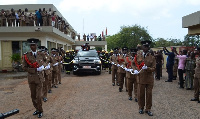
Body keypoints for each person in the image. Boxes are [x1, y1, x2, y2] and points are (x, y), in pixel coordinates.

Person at [22, 38, 46, 118]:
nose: (32, 46)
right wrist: (34, 69)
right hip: (32, 78)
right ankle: (37, 108)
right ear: (30, 46)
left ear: (37, 45)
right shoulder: (27, 55)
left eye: (34, 45)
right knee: (33, 96)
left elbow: (46, 61)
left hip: (39, 78)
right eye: (31, 45)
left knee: (39, 96)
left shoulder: (41, 54)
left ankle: (40, 110)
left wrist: (44, 66)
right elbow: (24, 67)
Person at [134, 40, 156, 116]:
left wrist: (148, 68)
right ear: (142, 47)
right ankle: (141, 108)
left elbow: (154, 68)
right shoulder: (138, 55)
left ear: (148, 47)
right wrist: (135, 70)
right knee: (141, 94)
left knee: (149, 94)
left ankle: (148, 109)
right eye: (144, 46)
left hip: (149, 78)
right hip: (141, 78)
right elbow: (133, 63)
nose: (146, 48)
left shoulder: (152, 57)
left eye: (147, 46)